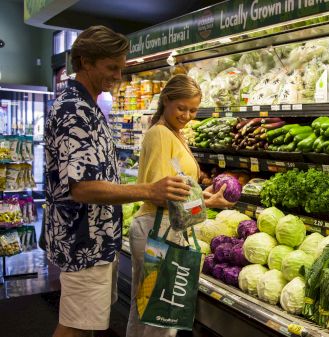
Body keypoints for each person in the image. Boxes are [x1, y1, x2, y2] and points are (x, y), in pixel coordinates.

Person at [44, 26, 191, 337]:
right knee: (75, 328)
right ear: (84, 61)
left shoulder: (89, 106)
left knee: (85, 326)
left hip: (95, 240)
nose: (119, 76)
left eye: (121, 67)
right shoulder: (75, 110)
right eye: (112, 67)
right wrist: (149, 190)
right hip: (83, 241)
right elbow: (82, 187)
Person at [126, 74, 234, 337]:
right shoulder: (161, 134)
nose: (187, 115)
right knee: (161, 321)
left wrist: (206, 198)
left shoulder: (174, 133)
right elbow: (159, 194)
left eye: (193, 110)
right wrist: (203, 203)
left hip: (163, 229)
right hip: (160, 232)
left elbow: (176, 191)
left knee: (147, 317)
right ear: (166, 101)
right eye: (181, 108)